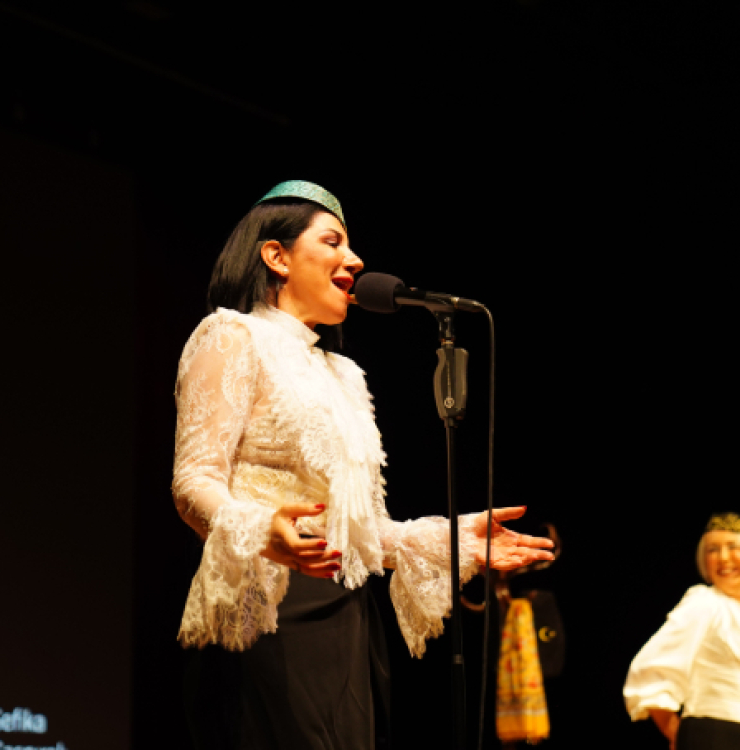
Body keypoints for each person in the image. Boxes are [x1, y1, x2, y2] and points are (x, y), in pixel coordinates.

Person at [171, 180, 555, 750]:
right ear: (276, 256)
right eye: (333, 242)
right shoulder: (232, 335)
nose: (354, 260)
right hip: (266, 608)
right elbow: (193, 481)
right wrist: (262, 531)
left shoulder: (343, 374)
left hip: (346, 613)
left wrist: (452, 541)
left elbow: (363, 533)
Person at [623, 513, 740, 750]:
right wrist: (675, 732)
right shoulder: (704, 603)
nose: (723, 558)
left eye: (733, 547)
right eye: (712, 550)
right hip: (712, 734)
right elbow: (651, 668)